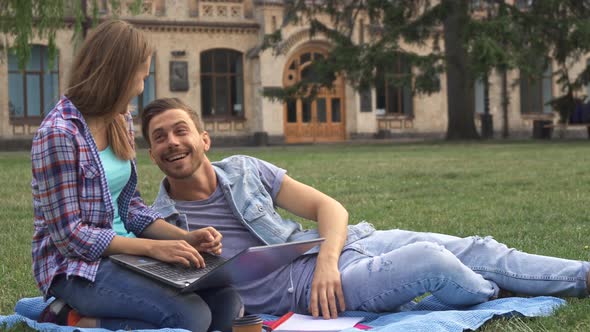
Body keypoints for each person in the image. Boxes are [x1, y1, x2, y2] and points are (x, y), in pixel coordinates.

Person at [141, 97, 590, 319]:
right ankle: (497, 292)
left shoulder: (244, 169)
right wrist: (324, 277)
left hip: (344, 249)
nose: (172, 143)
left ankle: (581, 277)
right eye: (159, 137)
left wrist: (327, 263)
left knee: (476, 245)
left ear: (204, 138)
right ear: (151, 153)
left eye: (180, 130)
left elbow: (329, 209)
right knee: (432, 261)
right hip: (314, 294)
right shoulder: (160, 224)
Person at [31, 21, 242, 332]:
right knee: (191, 317)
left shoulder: (120, 119)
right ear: (119, 74)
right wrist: (152, 248)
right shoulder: (58, 134)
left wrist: (183, 238)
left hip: (129, 256)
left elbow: (130, 207)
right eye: (142, 77)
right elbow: (69, 237)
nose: (142, 87)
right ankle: (69, 318)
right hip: (77, 269)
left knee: (226, 298)